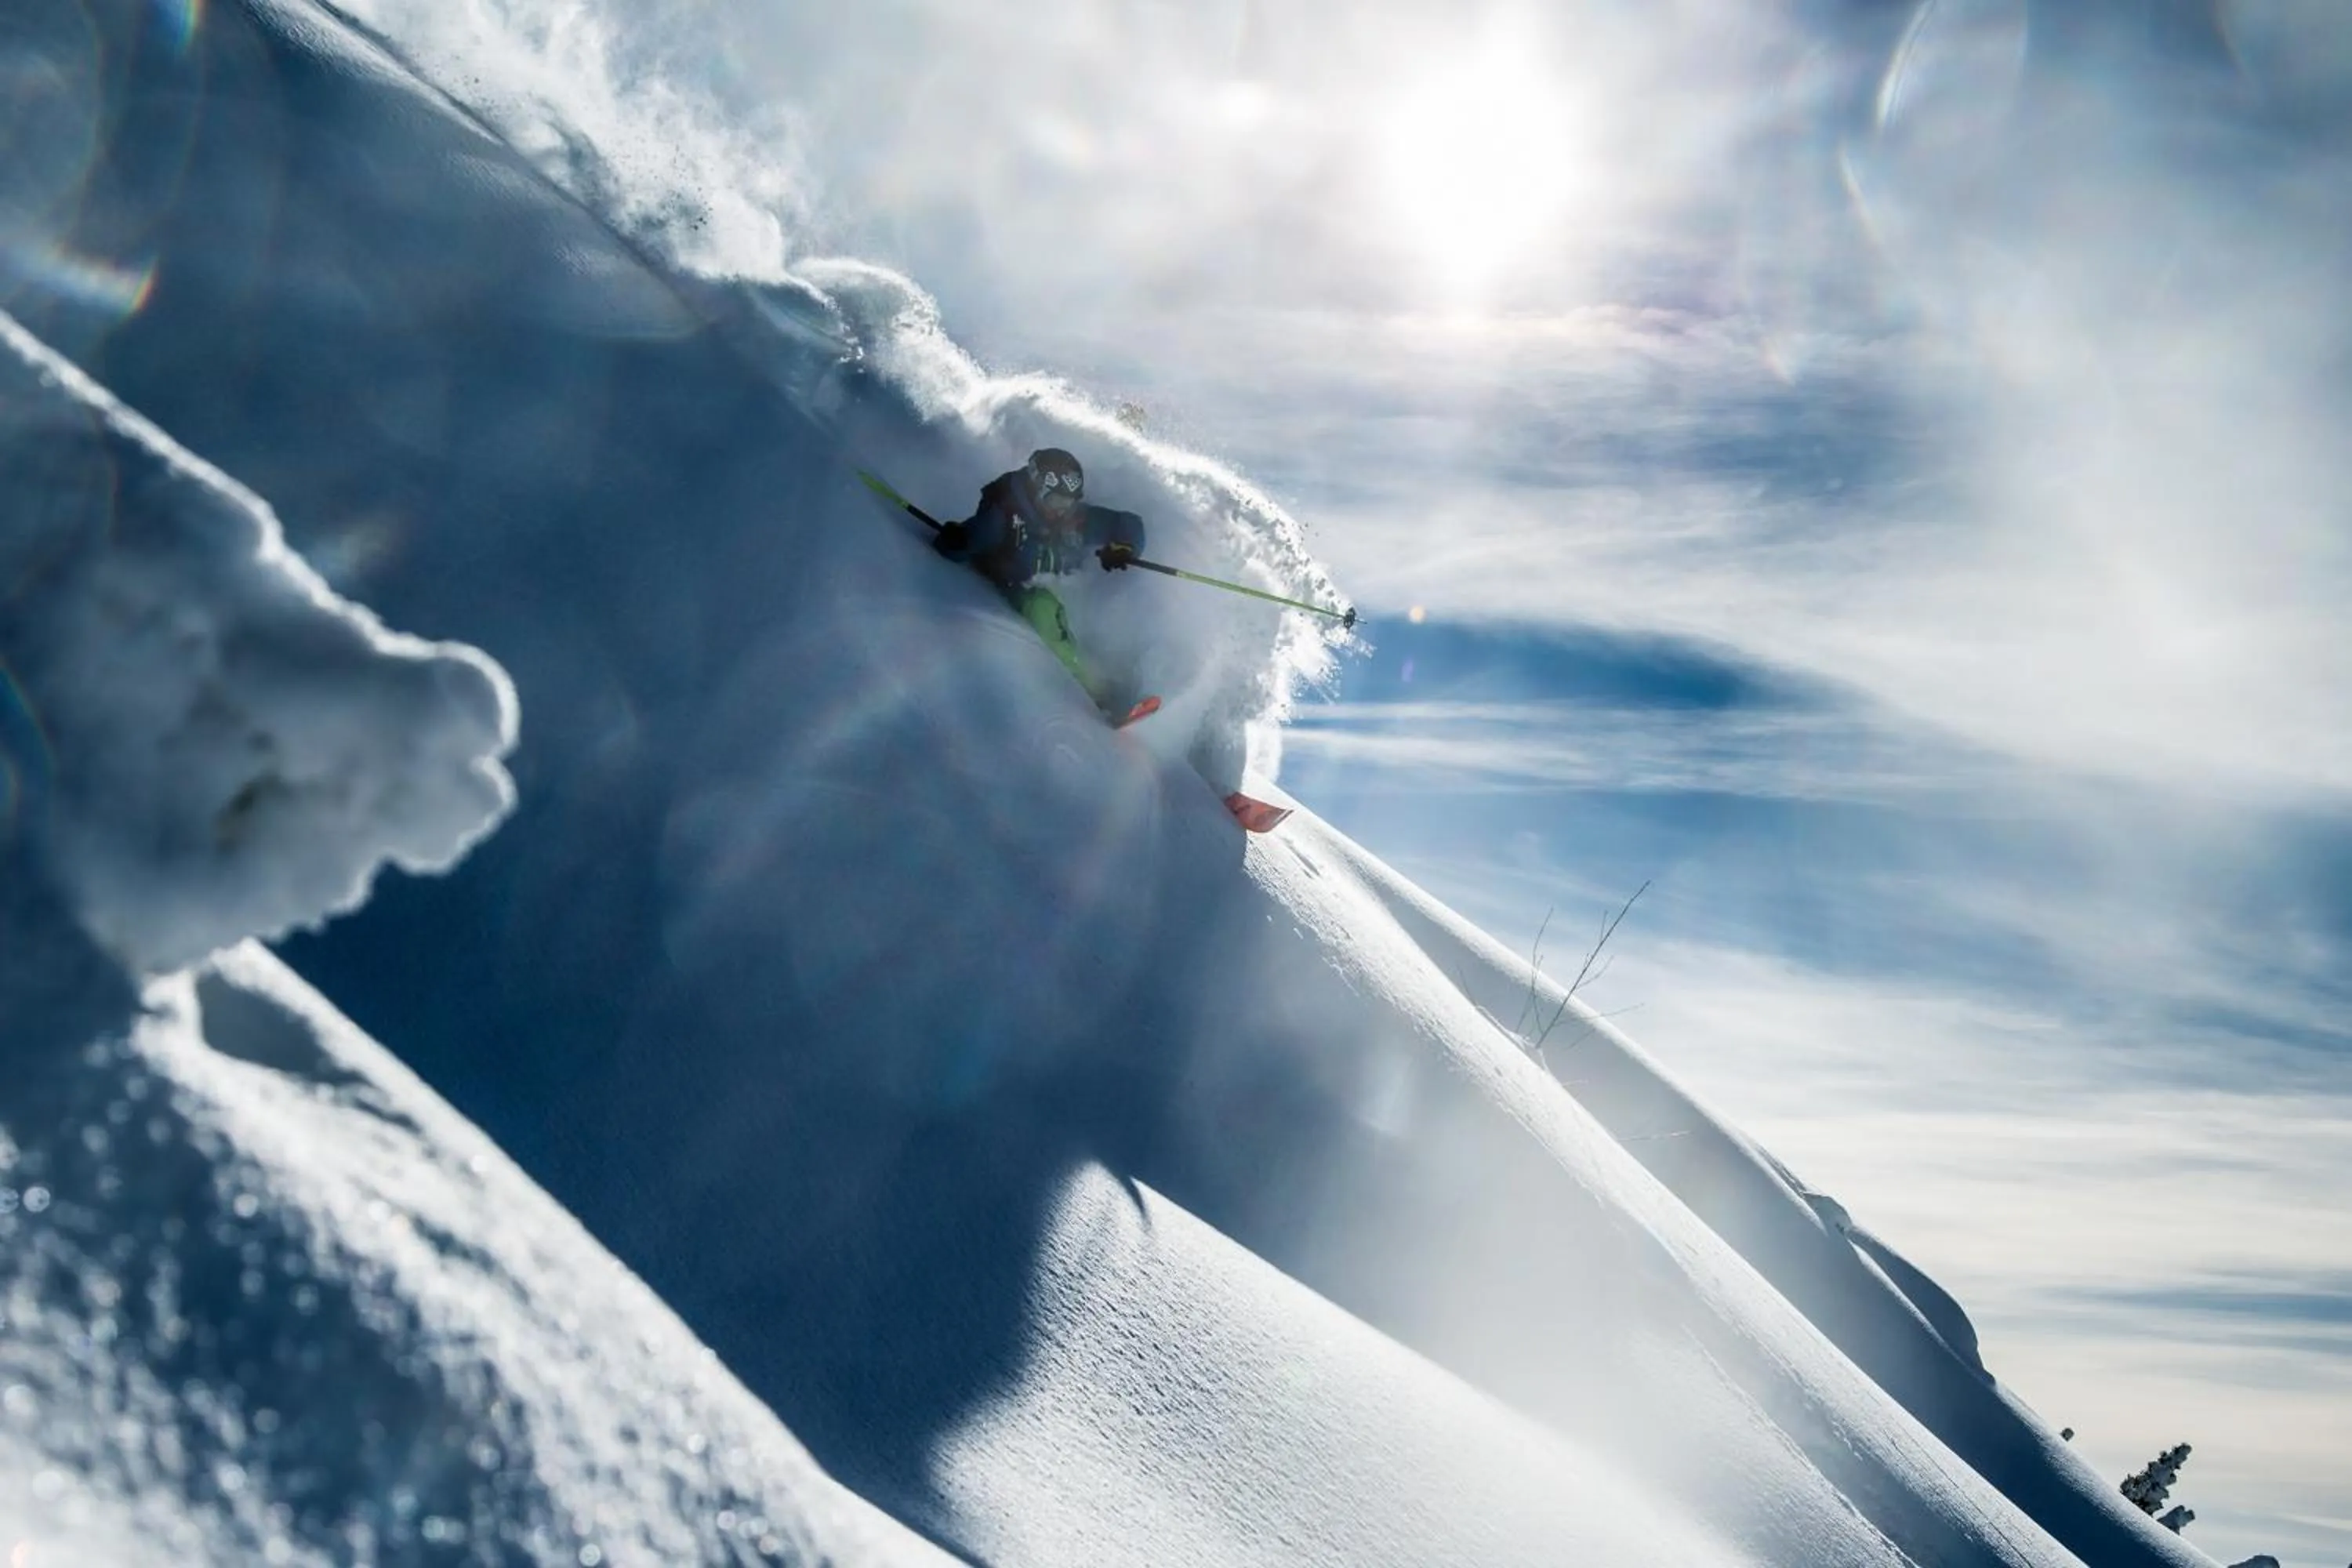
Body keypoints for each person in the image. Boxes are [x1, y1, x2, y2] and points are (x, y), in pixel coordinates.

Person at [933, 448, 1145, 703]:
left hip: (1064, 585)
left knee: (1095, 608)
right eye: (1056, 501)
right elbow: (960, 546)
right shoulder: (1003, 517)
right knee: (1044, 611)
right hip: (1018, 587)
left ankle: (1122, 666)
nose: (1062, 510)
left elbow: (1129, 524)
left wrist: (1124, 547)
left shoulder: (1073, 518)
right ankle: (1100, 695)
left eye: (1069, 502)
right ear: (1037, 491)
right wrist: (955, 540)